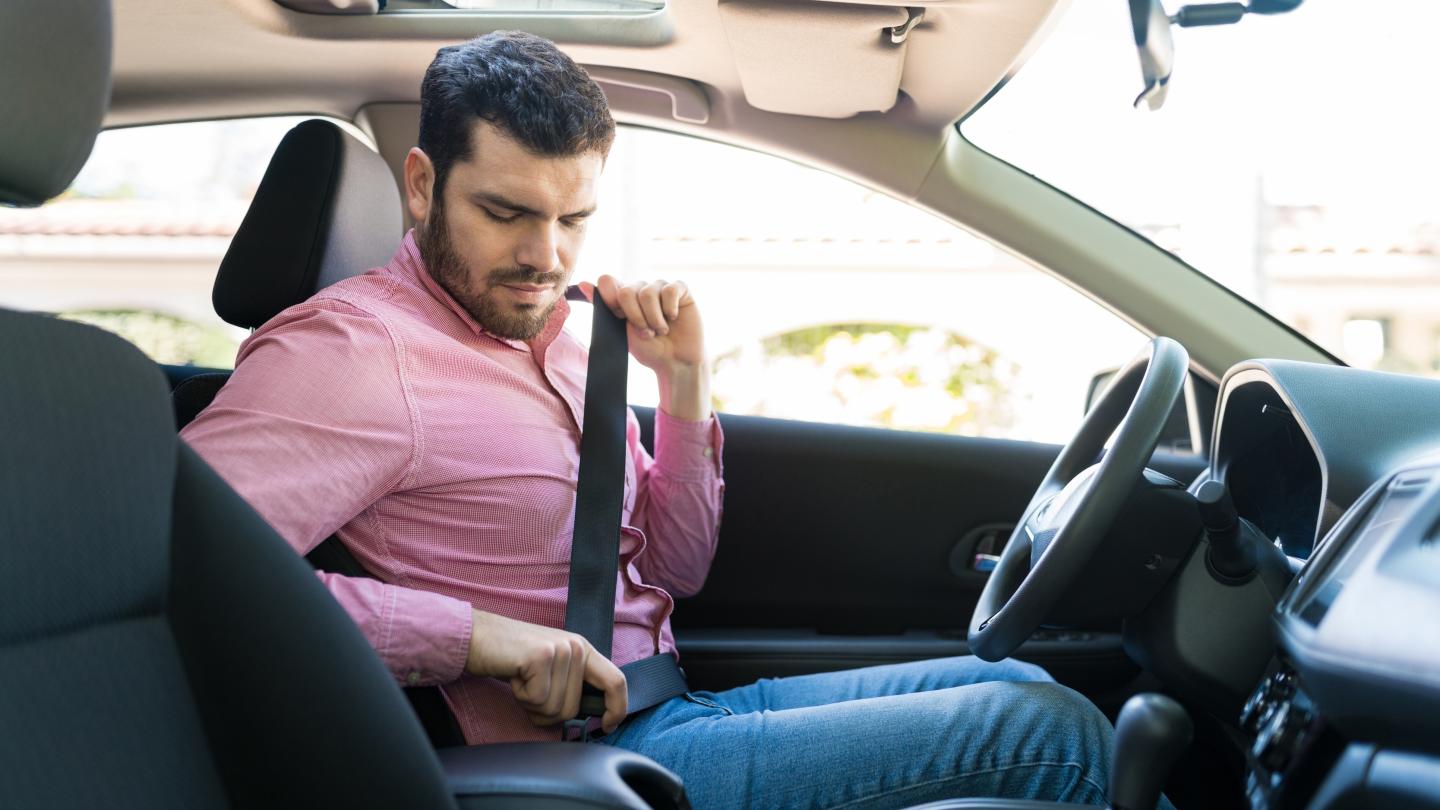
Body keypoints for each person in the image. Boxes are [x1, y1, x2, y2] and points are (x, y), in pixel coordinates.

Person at [183, 30, 1125, 810]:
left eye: (572, 218)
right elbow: (179, 572)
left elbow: (674, 570)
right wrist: (477, 637)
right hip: (575, 769)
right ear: (423, 187)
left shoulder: (561, 336)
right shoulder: (345, 357)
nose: (542, 256)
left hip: (680, 710)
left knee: (1036, 690)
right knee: (1054, 738)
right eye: (505, 212)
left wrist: (683, 388)